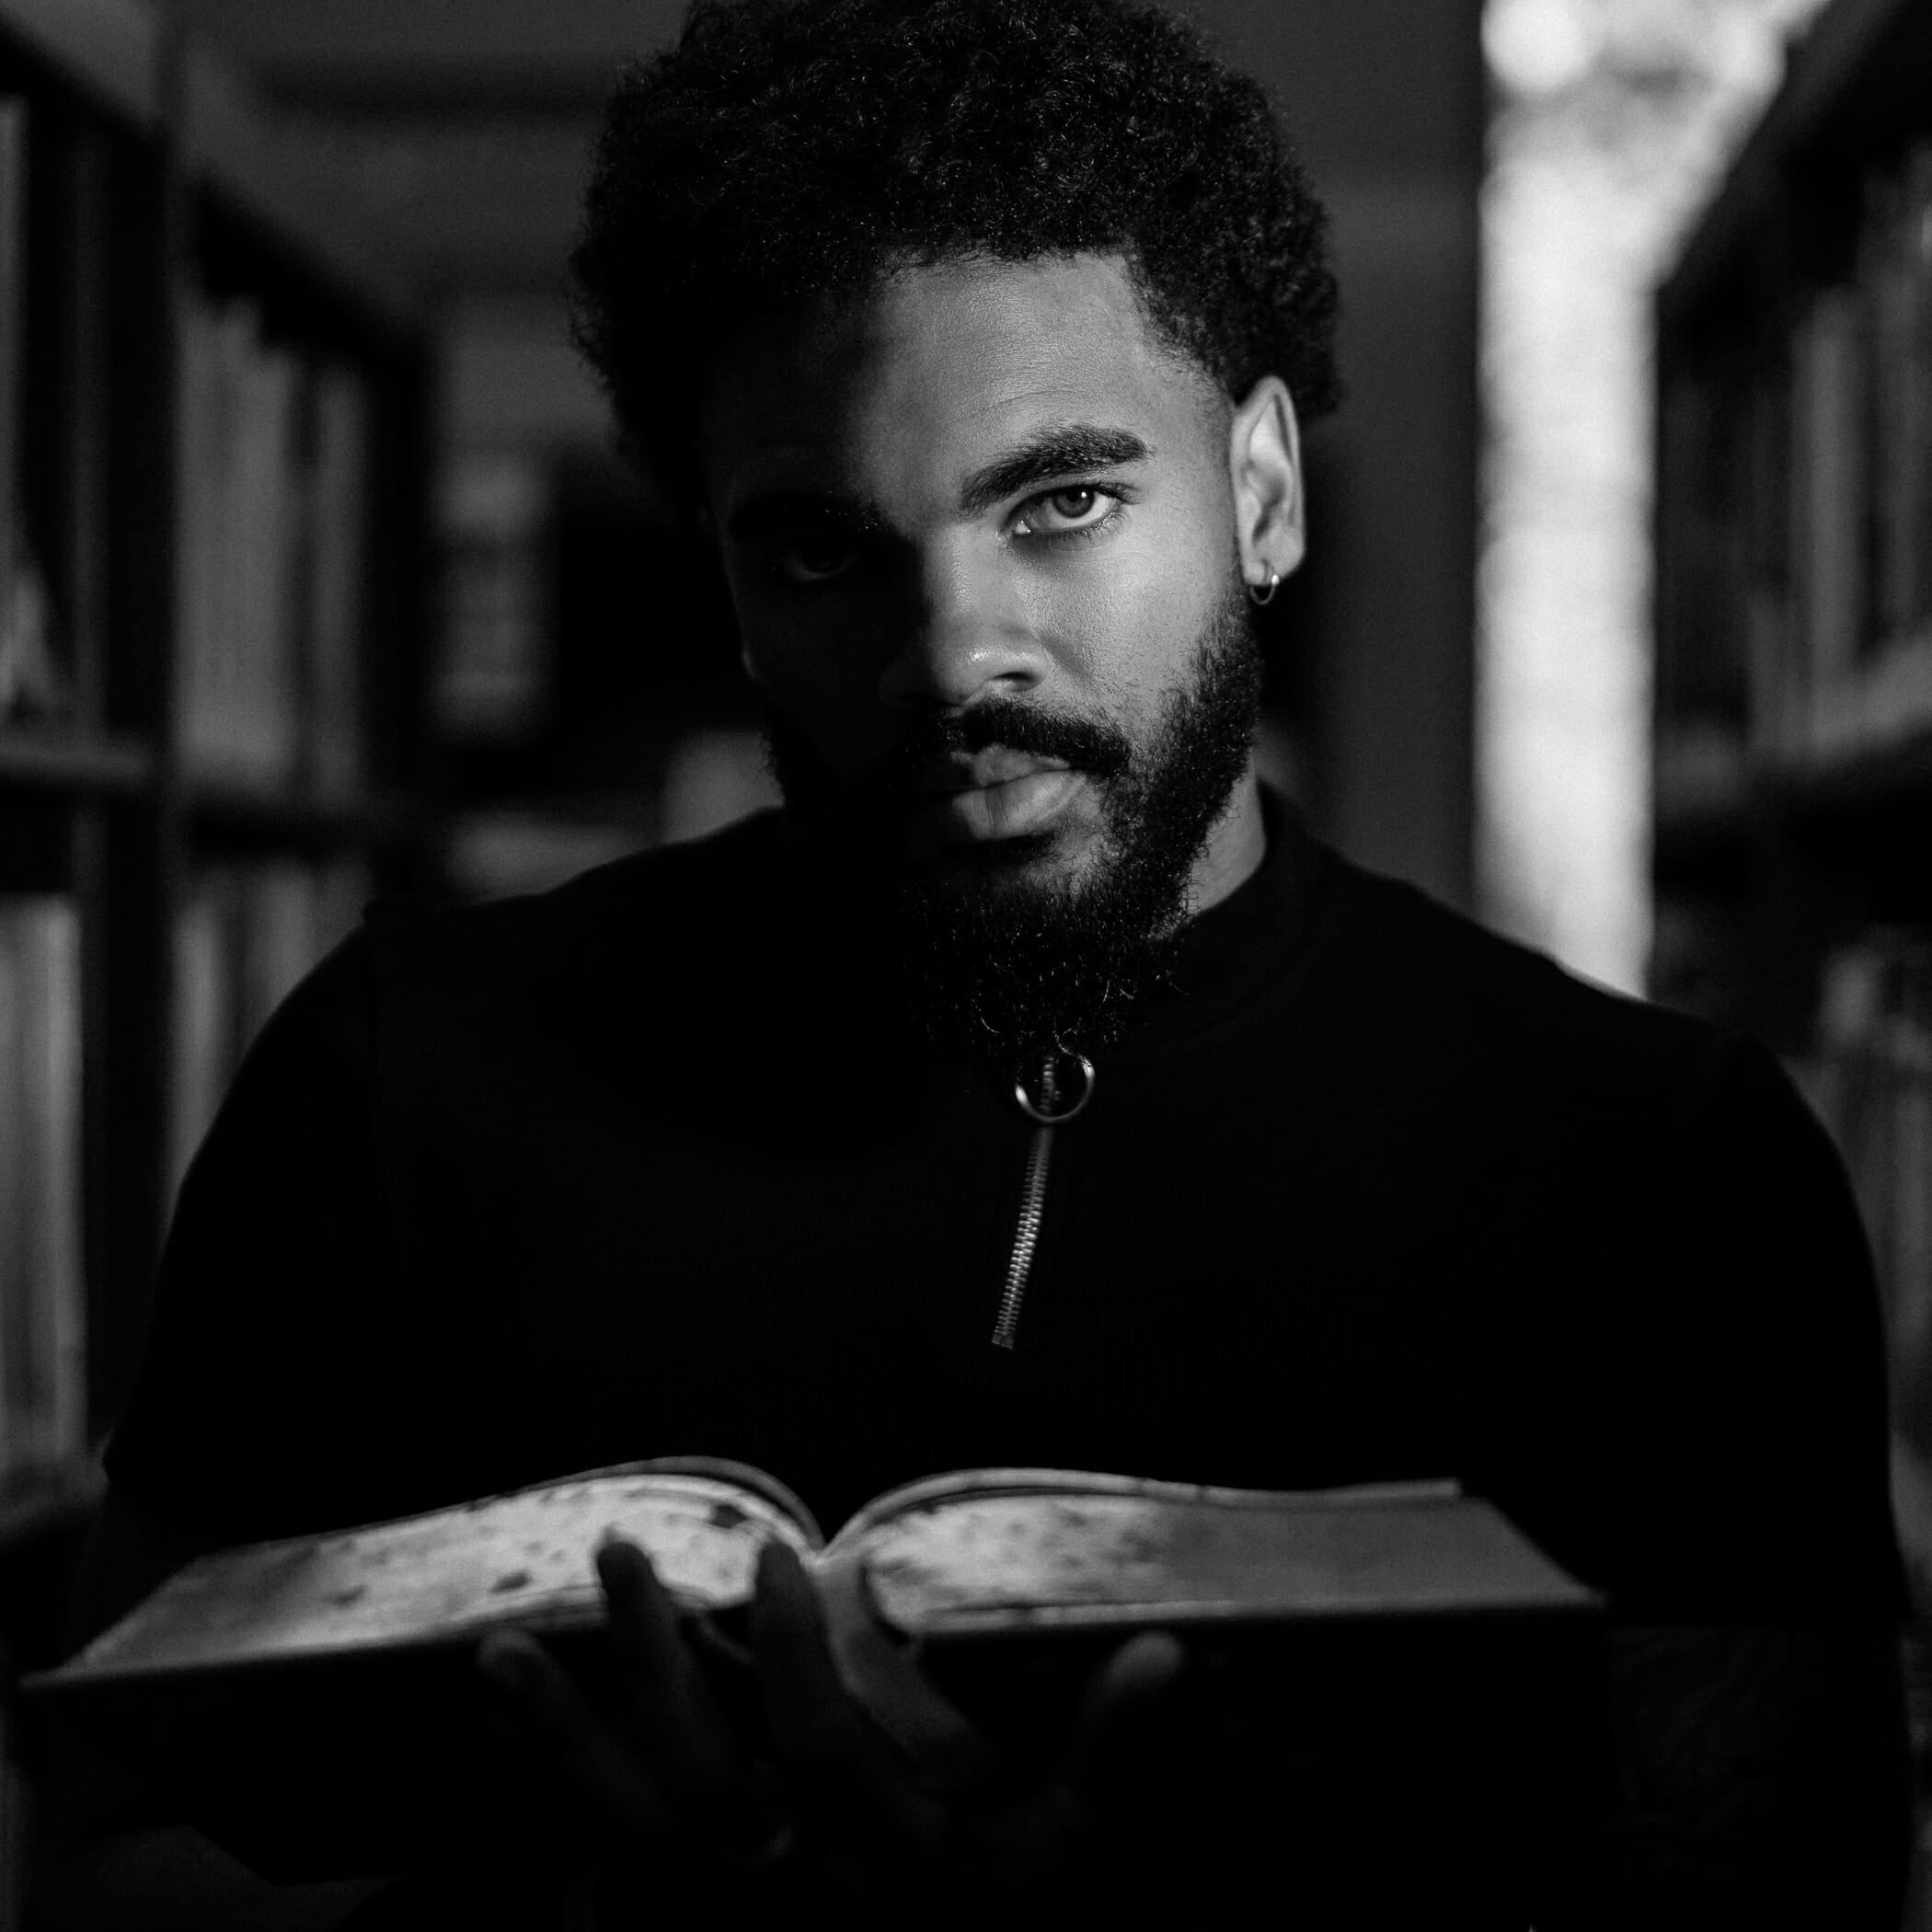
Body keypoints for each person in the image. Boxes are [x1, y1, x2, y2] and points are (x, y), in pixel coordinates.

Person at [39, 0, 1909, 1926]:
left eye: (1065, 503)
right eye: (825, 552)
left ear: (1261, 489)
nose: (955, 659)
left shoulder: (1672, 1176)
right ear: (728, 575)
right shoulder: (391, 1081)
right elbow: (87, 1855)